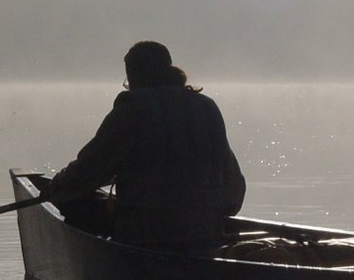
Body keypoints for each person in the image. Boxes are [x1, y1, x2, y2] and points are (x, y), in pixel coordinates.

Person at [42, 41, 246, 252]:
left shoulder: (132, 109)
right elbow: (234, 183)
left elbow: (88, 170)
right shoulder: (206, 107)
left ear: (133, 76)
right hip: (206, 228)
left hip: (146, 232)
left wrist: (56, 188)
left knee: (73, 202)